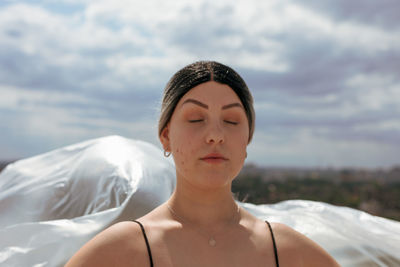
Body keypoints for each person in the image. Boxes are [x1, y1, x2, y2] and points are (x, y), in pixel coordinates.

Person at [65, 61, 340, 267]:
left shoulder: (290, 252)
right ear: (165, 136)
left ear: (248, 140)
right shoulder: (119, 252)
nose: (215, 135)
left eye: (232, 121)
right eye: (196, 119)